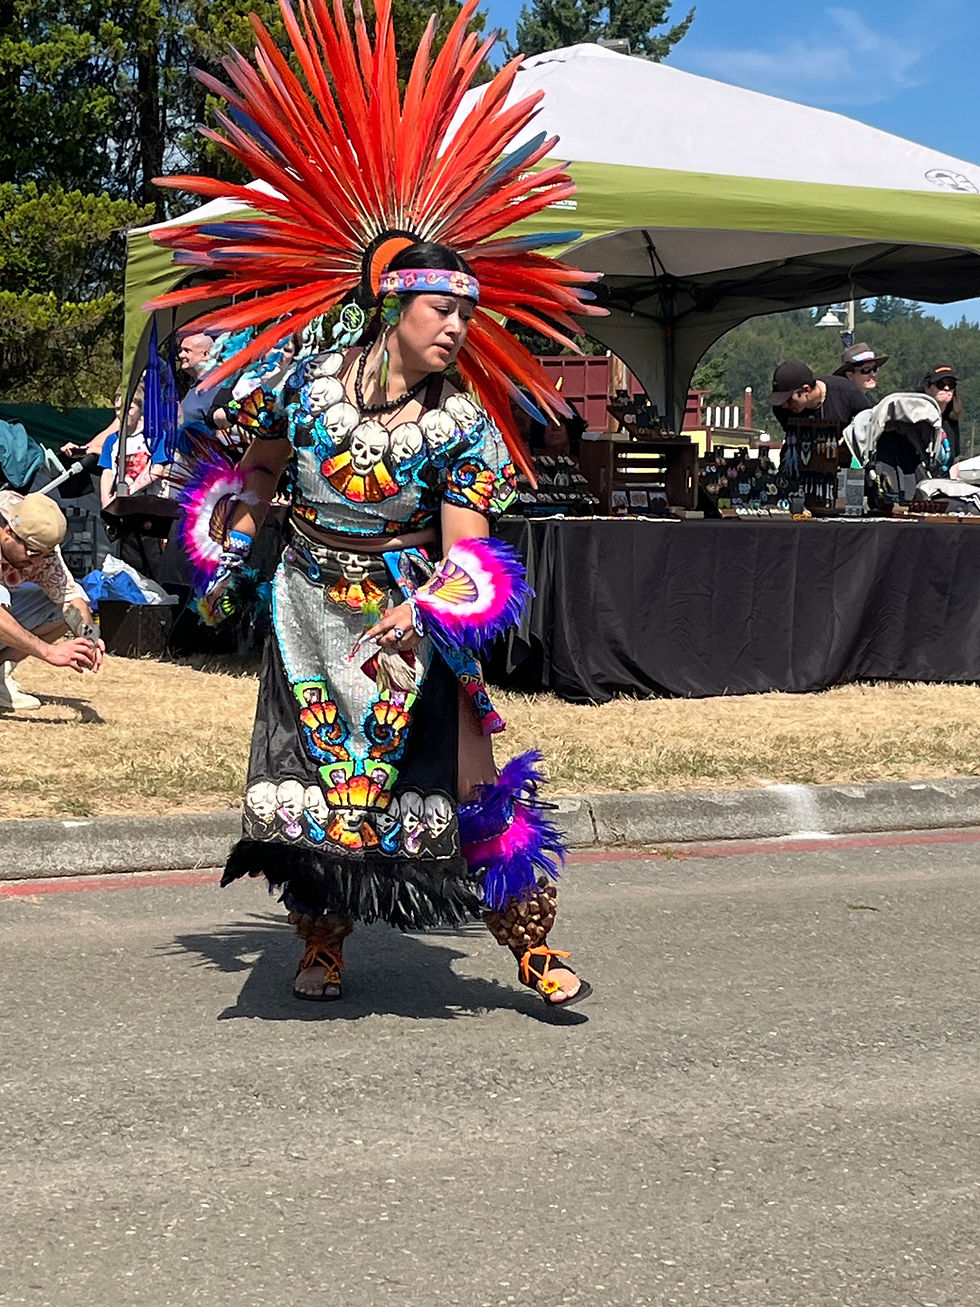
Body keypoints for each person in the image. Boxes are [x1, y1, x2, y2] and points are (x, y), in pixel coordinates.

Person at [146, 0, 605, 1009]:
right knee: (309, 788)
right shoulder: (302, 382)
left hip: (405, 619)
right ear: (393, 304)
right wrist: (246, 515)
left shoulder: (461, 424)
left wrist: (427, 605)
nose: (456, 331)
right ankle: (321, 944)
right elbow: (258, 464)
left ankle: (527, 948)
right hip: (307, 612)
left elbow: (472, 553)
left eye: (466, 317)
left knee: (472, 783)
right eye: (443, 310)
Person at [0, 491, 104, 711]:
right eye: (32, 552)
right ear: (9, 532)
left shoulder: (41, 552)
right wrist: (48, 651)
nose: (36, 561)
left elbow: (70, 601)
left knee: (61, 609)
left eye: (44, 554)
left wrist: (90, 637)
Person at [768, 360, 874, 500]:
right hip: (796, 473)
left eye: (789, 399)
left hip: (841, 476)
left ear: (806, 390)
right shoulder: (781, 409)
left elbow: (870, 424)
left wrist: (849, 437)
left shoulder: (846, 392)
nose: (784, 406)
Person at [921, 364, 962, 469]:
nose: (947, 388)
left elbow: (954, 461)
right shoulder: (917, 420)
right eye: (941, 384)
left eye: (951, 384)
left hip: (944, 482)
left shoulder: (951, 422)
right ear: (927, 387)